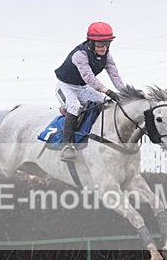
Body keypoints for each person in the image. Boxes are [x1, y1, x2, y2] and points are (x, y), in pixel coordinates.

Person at [54, 21, 126, 161]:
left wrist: (125, 93)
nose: (103, 48)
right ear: (91, 43)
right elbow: (89, 78)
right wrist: (108, 91)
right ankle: (67, 145)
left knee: (107, 104)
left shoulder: (108, 56)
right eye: (99, 44)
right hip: (66, 86)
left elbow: (115, 75)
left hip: (83, 88)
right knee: (75, 106)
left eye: (107, 43)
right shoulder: (79, 55)